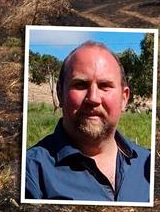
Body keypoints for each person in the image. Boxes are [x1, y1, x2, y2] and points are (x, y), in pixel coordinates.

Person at [25, 41, 150, 202]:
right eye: (80, 85)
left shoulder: (149, 164)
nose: (93, 98)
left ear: (124, 98)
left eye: (105, 86)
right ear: (60, 93)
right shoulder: (32, 173)